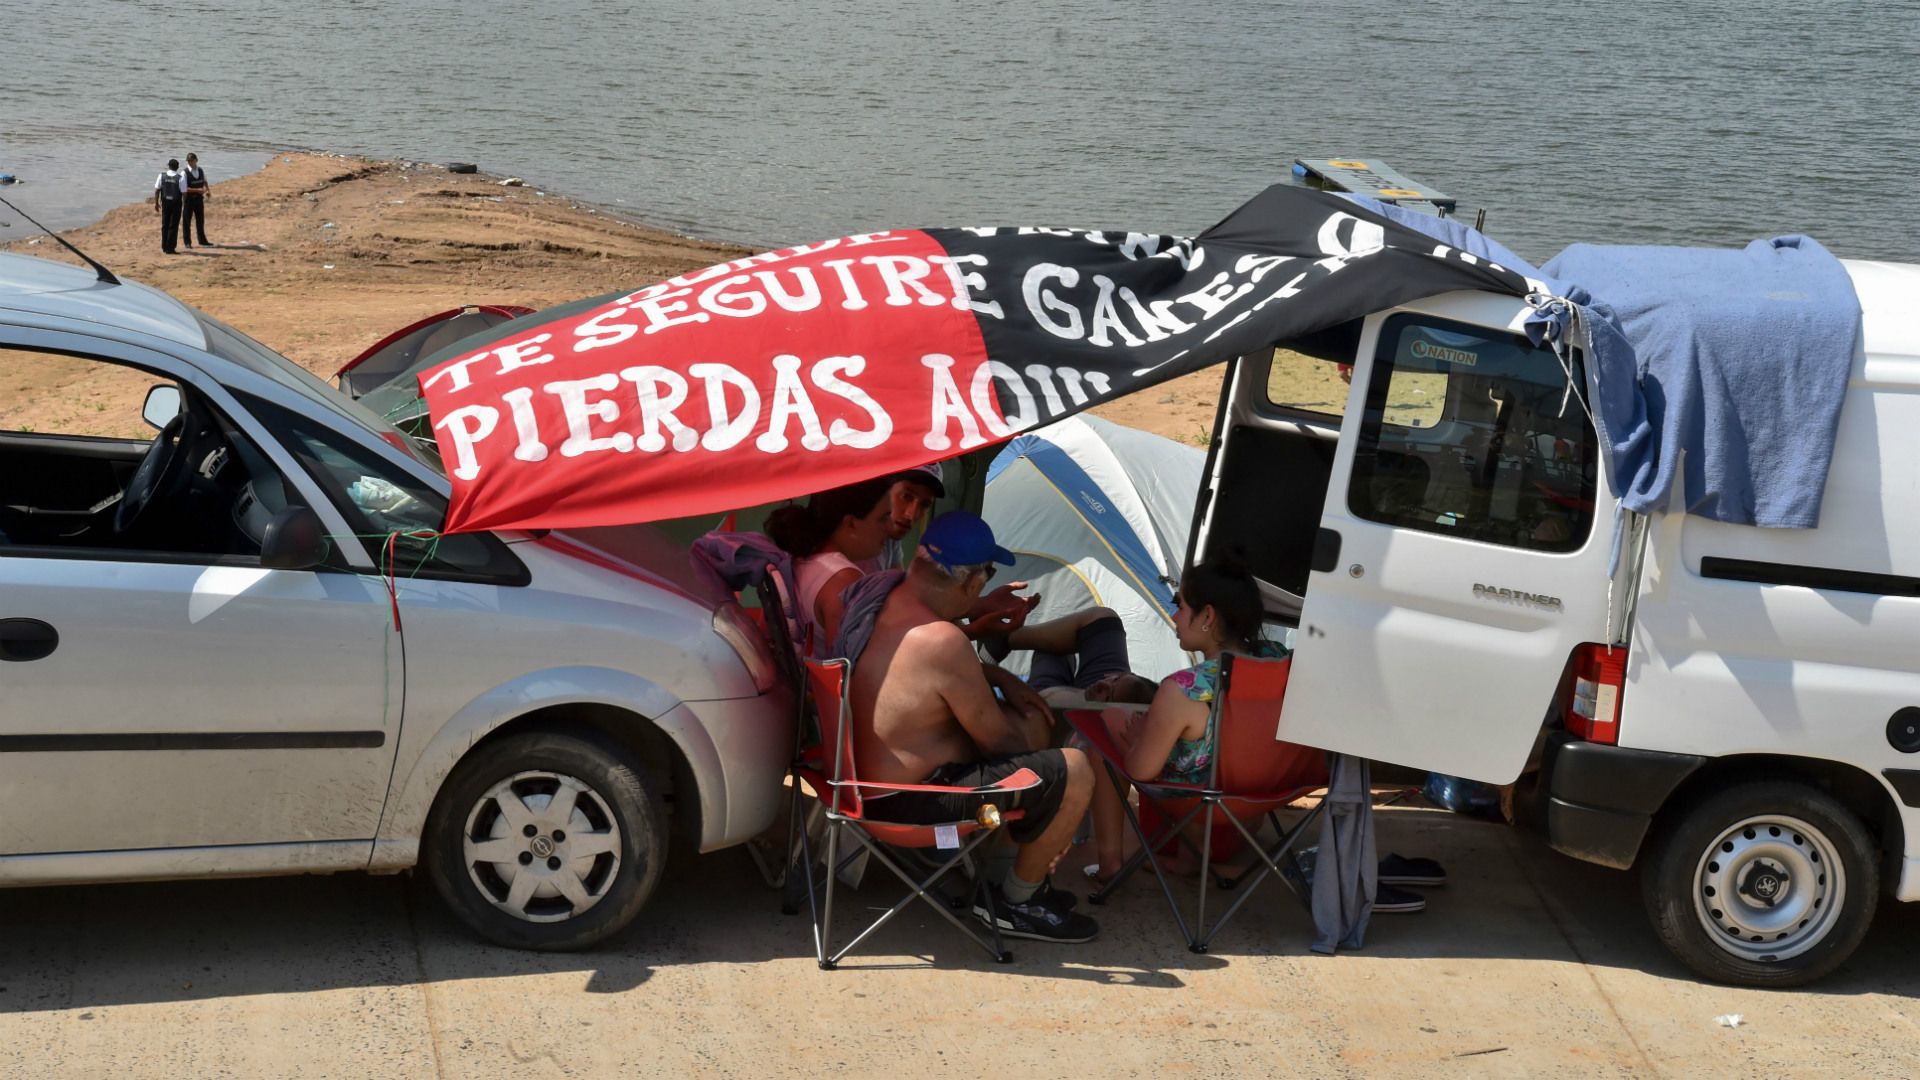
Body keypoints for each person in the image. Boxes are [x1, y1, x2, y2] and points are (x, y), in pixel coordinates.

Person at [846, 511, 1098, 942]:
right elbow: (1001, 745)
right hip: (911, 803)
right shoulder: (941, 640)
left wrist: (997, 677)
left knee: (1034, 745)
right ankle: (1018, 902)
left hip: (859, 787)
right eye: (988, 574)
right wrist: (1037, 728)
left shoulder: (882, 599)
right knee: (1072, 769)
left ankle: (1006, 875)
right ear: (973, 582)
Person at [1083, 557, 1289, 885]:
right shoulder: (1278, 660)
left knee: (1104, 729)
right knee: (1204, 744)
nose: (1174, 617)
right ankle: (1188, 858)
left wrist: (1136, 740)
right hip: (1268, 789)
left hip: (1205, 800)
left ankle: (1110, 864)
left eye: (1180, 607)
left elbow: (1141, 771)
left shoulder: (1183, 689)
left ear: (1207, 616)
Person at [764, 478, 894, 652]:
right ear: (850, 523)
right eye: (883, 518)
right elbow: (848, 662)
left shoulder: (800, 561)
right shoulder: (845, 580)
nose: (890, 527)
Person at [153, 159, 186, 254]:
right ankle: (170, 248)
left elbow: (157, 190)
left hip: (165, 203)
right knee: (173, 225)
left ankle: (164, 246)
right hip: (176, 204)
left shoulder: (161, 176)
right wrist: (184, 205)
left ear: (168, 166)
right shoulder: (180, 178)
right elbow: (184, 193)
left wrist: (156, 203)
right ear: (177, 167)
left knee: (165, 225)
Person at [181, 153, 211, 248]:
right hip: (188, 200)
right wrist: (198, 190)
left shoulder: (200, 170)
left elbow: (205, 181)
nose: (190, 162)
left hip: (199, 200)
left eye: (192, 160)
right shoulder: (184, 173)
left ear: (196, 160)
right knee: (187, 222)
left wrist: (208, 190)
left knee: (200, 220)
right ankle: (187, 242)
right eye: (189, 161)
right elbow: (184, 189)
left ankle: (202, 241)